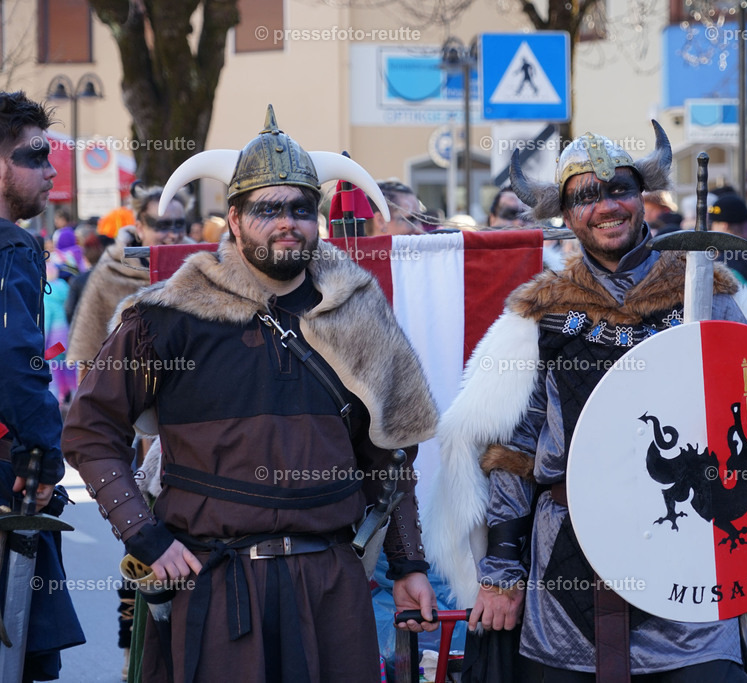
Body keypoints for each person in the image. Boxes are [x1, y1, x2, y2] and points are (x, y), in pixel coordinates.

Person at [62, 106, 439, 682]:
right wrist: (145, 535)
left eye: (301, 208)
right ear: (234, 221)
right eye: (268, 209)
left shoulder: (356, 312)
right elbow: (90, 429)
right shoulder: (168, 317)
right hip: (216, 588)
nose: (287, 222)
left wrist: (409, 566)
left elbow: (390, 454)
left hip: (332, 589)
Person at [425, 123, 747, 681]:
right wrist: (500, 572)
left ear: (642, 199)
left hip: (686, 543)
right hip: (569, 564)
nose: (606, 205)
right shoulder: (542, 315)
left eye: (618, 189)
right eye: (586, 196)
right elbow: (514, 452)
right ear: (566, 216)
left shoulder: (710, 296)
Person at [0, 90, 85, 680]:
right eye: (34, 156)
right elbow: (13, 359)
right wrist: (44, 457)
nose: (51, 170)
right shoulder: (11, 246)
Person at [65, 182, 190, 373]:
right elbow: (89, 359)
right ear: (139, 227)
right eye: (162, 225)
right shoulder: (112, 271)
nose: (173, 234)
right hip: (130, 394)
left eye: (179, 224)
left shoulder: (203, 267)